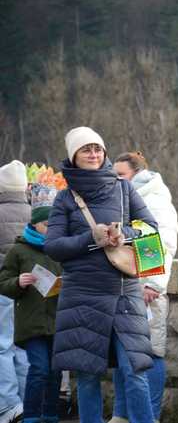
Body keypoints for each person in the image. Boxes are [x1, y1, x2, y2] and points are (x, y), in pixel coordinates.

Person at [44, 127, 158, 423]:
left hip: (124, 293)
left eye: (98, 148)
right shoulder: (65, 198)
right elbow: (53, 246)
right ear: (74, 156)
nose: (94, 154)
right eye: (86, 149)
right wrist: (90, 238)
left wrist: (125, 235)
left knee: (134, 370)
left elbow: (151, 228)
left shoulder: (124, 188)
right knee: (87, 376)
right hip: (82, 295)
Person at [111, 152, 178, 423]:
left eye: (120, 175)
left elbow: (161, 242)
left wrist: (153, 284)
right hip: (127, 287)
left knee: (150, 351)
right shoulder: (130, 198)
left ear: (136, 174)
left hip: (145, 290)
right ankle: (122, 414)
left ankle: (149, 415)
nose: (115, 180)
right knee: (123, 352)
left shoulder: (154, 200)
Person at [0, 167, 66, 423]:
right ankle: (30, 415)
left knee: (55, 371)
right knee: (38, 369)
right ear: (35, 223)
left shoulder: (60, 249)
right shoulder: (19, 251)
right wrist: (18, 281)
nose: (50, 229)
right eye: (46, 224)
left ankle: (50, 415)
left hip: (56, 320)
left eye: (54, 225)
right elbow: (3, 282)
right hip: (31, 323)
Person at [0, 160, 31, 423]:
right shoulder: (37, 213)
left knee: (1, 347)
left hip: (3, 288)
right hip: (29, 289)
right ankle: (27, 403)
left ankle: (8, 404)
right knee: (22, 348)